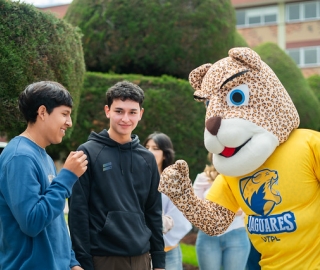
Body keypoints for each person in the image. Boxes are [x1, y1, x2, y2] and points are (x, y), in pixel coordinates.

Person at [68, 81, 165, 270]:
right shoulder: (88, 152)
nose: (125, 118)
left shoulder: (147, 159)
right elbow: (78, 212)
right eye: (119, 111)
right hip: (102, 258)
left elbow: (153, 212)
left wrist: (159, 262)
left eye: (132, 112)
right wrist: (82, 261)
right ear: (107, 111)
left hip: (141, 258)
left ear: (141, 114)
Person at [0, 81, 88, 270]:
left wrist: (72, 262)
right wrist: (67, 177)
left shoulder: (44, 156)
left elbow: (55, 221)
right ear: (42, 112)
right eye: (64, 114)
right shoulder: (20, 156)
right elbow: (32, 222)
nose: (69, 122)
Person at [193, 152, 250, 270]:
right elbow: (194, 209)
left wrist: (241, 210)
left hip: (237, 235)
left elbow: (251, 203)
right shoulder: (203, 178)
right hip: (207, 236)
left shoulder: (242, 176)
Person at [143, 132, 192, 270]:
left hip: (168, 252)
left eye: (155, 148)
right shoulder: (136, 179)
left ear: (165, 154)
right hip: (138, 253)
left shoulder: (176, 182)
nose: (149, 151)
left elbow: (181, 219)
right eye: (147, 147)